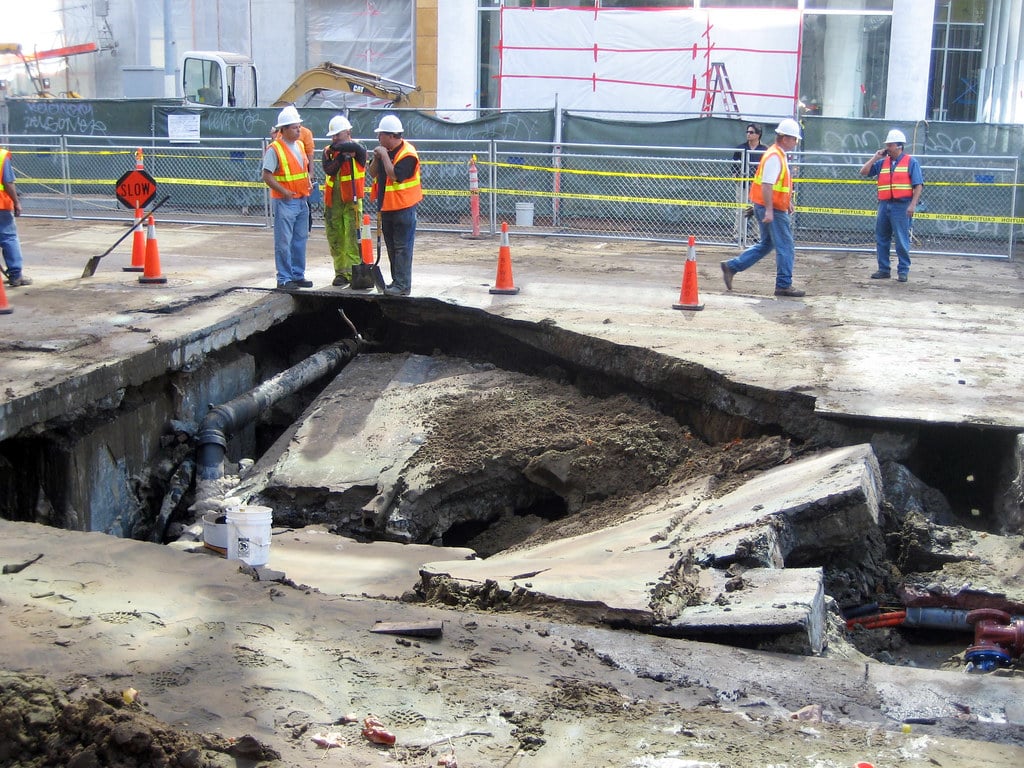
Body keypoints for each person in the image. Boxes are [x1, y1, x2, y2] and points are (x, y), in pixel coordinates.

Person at [720, 118, 805, 298]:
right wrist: (768, 210)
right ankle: (783, 284)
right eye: (794, 138)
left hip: (771, 206)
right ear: (784, 138)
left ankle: (732, 266)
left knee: (767, 244)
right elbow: (767, 184)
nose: (796, 142)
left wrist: (786, 201)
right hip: (773, 208)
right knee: (786, 246)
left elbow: (775, 184)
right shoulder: (775, 156)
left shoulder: (776, 154)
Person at [367, 114, 422, 297]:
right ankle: (396, 281)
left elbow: (395, 175)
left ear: (391, 135)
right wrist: (377, 157)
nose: (378, 138)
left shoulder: (408, 154)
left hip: (404, 208)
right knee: (391, 247)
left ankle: (403, 285)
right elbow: (373, 173)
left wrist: (383, 155)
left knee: (402, 248)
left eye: (380, 134)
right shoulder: (384, 152)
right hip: (387, 208)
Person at [859, 128, 924, 283]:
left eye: (890, 144)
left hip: (902, 206)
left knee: (902, 239)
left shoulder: (911, 162)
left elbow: (918, 185)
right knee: (882, 238)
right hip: (884, 204)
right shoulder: (883, 163)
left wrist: (912, 205)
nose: (887, 147)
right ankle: (884, 269)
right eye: (887, 144)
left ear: (899, 146)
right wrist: (875, 158)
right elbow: (863, 171)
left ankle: (903, 271)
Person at [262, 106, 313, 289]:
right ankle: (284, 278)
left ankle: (297, 274)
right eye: (294, 127)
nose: (299, 130)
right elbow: (266, 175)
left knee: (300, 239)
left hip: (301, 200)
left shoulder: (299, 145)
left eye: (299, 127)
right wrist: (283, 191)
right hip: (286, 201)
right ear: (283, 130)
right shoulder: (275, 149)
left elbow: (303, 170)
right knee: (284, 241)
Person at [321, 115, 367, 287]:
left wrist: (344, 151)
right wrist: (340, 157)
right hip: (333, 202)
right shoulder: (329, 151)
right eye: (332, 136)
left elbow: (356, 148)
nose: (334, 139)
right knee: (336, 236)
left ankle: (355, 272)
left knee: (352, 236)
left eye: (337, 135)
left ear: (348, 132)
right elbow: (329, 170)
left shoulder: (359, 149)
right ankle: (341, 273)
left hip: (352, 201)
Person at [0, 146, 31, 287]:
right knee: (9, 238)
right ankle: (16, 275)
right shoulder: (2, 156)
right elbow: (8, 182)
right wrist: (17, 202)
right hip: (1, 205)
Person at [732, 123, 766, 240]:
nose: (748, 134)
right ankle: (739, 235)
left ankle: (757, 235)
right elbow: (735, 165)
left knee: (758, 209)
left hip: (758, 185)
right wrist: (736, 176)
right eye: (747, 132)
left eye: (751, 132)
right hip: (743, 183)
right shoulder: (741, 148)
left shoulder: (764, 150)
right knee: (740, 209)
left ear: (758, 134)